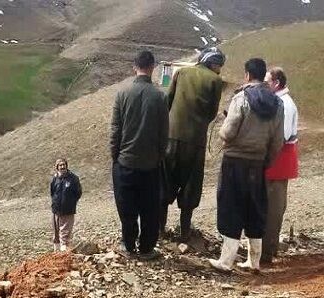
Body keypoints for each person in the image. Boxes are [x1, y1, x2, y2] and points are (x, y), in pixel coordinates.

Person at [209, 58, 284, 273]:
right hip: (258, 163)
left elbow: (228, 132)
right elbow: (278, 140)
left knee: (231, 206)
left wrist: (223, 132)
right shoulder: (277, 103)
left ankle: (226, 261)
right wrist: (266, 160)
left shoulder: (241, 98)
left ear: (247, 75)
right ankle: (255, 261)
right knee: (255, 208)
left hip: (234, 162)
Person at [161, 47, 226, 241]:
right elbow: (212, 112)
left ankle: (160, 229)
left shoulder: (182, 72)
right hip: (195, 140)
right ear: (212, 63)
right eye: (219, 65)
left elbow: (168, 100)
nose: (220, 69)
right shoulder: (215, 81)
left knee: (165, 181)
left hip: (171, 137)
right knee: (191, 184)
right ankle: (185, 231)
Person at [110, 50, 169, 260]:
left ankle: (128, 245)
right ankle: (146, 248)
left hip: (125, 162)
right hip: (151, 165)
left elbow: (115, 130)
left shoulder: (122, 94)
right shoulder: (160, 97)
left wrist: (115, 156)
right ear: (152, 67)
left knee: (126, 207)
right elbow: (164, 134)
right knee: (149, 208)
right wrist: (160, 156)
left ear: (134, 67)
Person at [262, 67, 299, 265]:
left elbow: (281, 137)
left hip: (279, 160)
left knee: (274, 207)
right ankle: (267, 247)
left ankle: (268, 249)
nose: (265, 85)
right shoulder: (280, 102)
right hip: (277, 160)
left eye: (267, 81)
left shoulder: (284, 104)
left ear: (276, 83)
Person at [49, 158, 82, 252]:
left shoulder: (73, 178)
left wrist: (70, 202)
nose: (62, 167)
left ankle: (64, 254)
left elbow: (78, 193)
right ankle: (56, 253)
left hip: (68, 210)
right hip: (56, 210)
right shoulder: (55, 179)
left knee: (65, 233)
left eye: (64, 164)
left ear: (66, 166)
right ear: (57, 167)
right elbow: (52, 192)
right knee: (56, 233)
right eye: (60, 165)